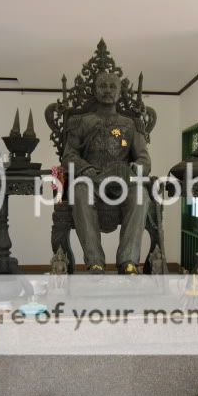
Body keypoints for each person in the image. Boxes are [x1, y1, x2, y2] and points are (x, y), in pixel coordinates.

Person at [62, 72, 151, 274]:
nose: (108, 90)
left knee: (141, 194)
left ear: (120, 92)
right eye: (103, 86)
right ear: (95, 91)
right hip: (92, 180)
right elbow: (68, 156)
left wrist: (135, 168)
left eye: (113, 87)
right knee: (80, 190)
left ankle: (128, 261)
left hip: (122, 182)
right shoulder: (81, 122)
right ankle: (95, 262)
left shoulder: (130, 124)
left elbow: (144, 159)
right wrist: (86, 169)